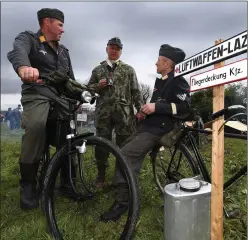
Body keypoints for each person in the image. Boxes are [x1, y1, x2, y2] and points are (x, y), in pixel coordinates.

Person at [100, 44, 191, 222]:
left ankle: (123, 202)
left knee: (124, 155)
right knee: (124, 147)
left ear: (168, 62)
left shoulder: (178, 81)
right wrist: (145, 111)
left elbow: (184, 107)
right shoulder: (161, 80)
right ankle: (124, 185)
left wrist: (155, 106)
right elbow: (157, 106)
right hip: (150, 126)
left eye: (159, 60)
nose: (155, 63)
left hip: (161, 129)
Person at [7, 8, 76, 210]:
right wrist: (23, 68)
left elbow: (70, 80)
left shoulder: (64, 52)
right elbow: (17, 52)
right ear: (47, 22)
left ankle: (67, 180)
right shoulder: (29, 39)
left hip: (59, 98)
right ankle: (28, 184)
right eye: (60, 25)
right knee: (36, 126)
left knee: (70, 133)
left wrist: (85, 91)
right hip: (36, 93)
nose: (63, 29)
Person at [87, 37, 143, 188]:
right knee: (101, 145)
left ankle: (122, 176)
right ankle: (101, 175)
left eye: (117, 49)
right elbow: (88, 92)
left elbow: (136, 91)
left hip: (124, 115)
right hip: (103, 114)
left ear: (121, 51)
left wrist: (140, 109)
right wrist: (98, 86)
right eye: (112, 48)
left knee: (125, 146)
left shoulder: (128, 70)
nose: (114, 51)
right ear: (107, 49)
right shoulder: (97, 70)